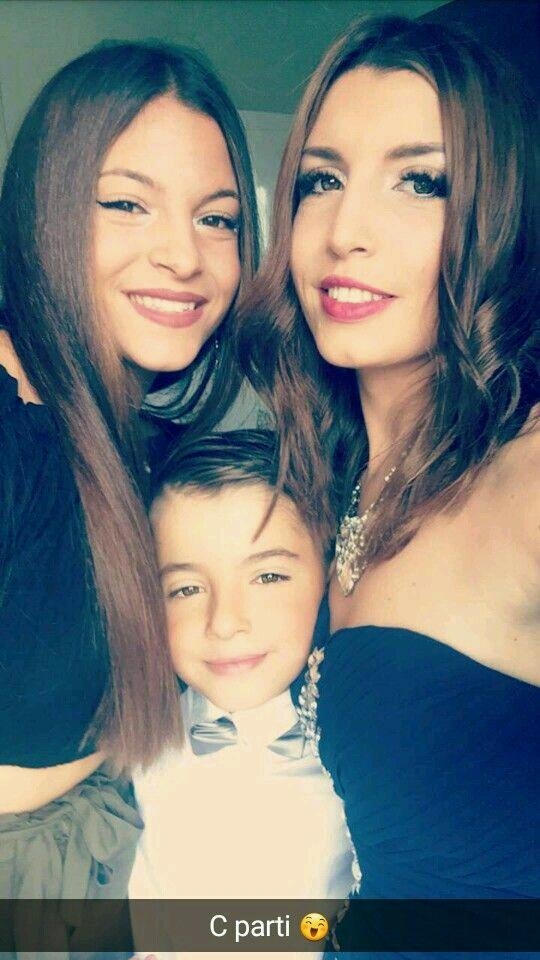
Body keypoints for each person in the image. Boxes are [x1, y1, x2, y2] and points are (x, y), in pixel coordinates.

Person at [235, 13, 539, 958]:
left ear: (501, 216)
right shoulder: (322, 478)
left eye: (420, 182)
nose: (345, 233)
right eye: (322, 181)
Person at [0, 39, 258, 955]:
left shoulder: (141, 431)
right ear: (45, 207)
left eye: (218, 219)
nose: (184, 256)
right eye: (125, 204)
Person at [129, 430, 356, 960]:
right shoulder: (142, 734)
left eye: (268, 576)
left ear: (330, 576)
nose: (224, 621)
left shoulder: (361, 759)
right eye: (186, 589)